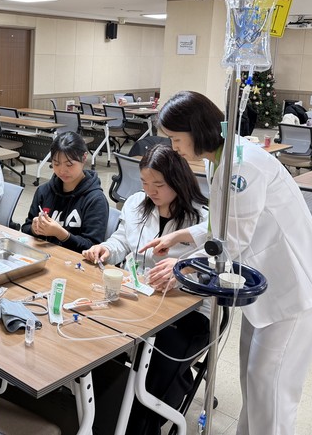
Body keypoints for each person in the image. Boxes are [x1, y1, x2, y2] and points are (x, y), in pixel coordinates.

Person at [145, 90, 312, 435]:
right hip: (265, 286)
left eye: (176, 139)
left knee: (272, 390)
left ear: (196, 130)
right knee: (254, 380)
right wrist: (180, 236)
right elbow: (223, 223)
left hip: (298, 290)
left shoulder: (242, 165)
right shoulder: (219, 158)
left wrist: (183, 268)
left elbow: (232, 241)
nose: (174, 148)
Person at [83, 145, 210, 435]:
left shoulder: (202, 220)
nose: (150, 191)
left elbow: (213, 269)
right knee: (100, 340)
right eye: (144, 182)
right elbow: (122, 241)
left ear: (178, 181)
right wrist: (105, 249)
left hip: (188, 311)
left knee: (159, 362)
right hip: (139, 299)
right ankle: (106, 412)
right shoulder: (136, 203)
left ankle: (143, 424)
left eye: (159, 185)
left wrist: (181, 273)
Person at [21, 131, 108, 252]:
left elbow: (92, 247)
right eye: (56, 164)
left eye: (69, 164)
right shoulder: (44, 191)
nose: (62, 171)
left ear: (84, 158)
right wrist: (34, 229)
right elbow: (25, 228)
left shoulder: (95, 199)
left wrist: (61, 234)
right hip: (45, 255)